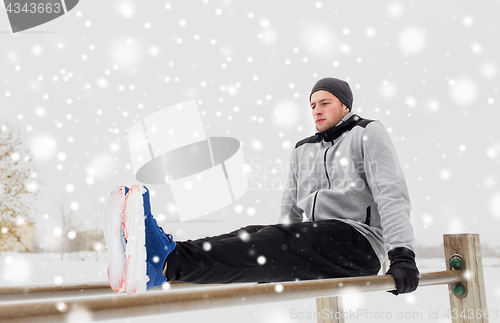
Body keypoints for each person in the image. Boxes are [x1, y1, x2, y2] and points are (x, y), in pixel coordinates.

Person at [103, 77, 419, 295]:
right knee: (256, 233)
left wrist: (401, 254)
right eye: (312, 105)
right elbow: (291, 210)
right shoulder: (303, 149)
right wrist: (278, 253)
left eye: (325, 102)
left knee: (278, 242)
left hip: (359, 246)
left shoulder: (368, 133)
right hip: (319, 241)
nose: (317, 110)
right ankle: (157, 255)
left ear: (346, 107)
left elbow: (392, 194)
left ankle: (166, 262)